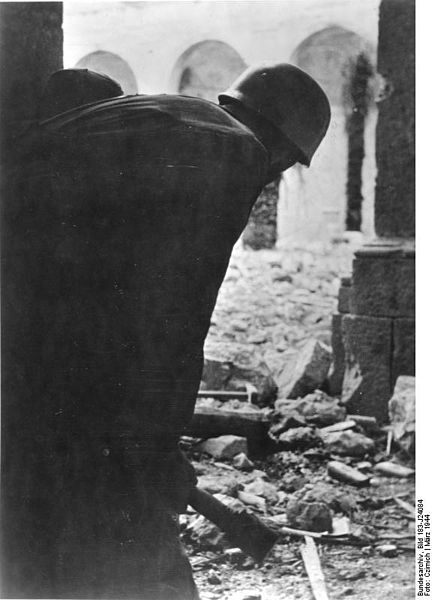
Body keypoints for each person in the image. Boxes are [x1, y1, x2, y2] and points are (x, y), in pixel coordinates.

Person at [1, 65, 330, 599]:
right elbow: (175, 322)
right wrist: (155, 449)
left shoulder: (176, 118)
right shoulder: (234, 151)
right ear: (280, 143)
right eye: (288, 165)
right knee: (138, 554)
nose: (274, 180)